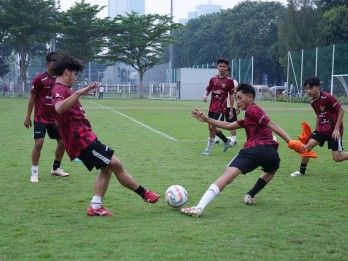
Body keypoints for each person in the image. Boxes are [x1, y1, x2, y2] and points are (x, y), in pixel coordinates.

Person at [51, 52, 160, 216]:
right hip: (81, 140)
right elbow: (59, 108)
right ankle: (145, 194)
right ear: (66, 71)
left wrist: (77, 94)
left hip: (85, 138)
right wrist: (79, 93)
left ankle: (95, 206)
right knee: (116, 164)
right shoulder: (59, 89)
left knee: (107, 169)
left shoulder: (66, 90)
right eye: (74, 73)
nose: (75, 77)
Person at [181, 83, 301, 217]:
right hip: (271, 153)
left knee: (227, 177)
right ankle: (250, 195)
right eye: (236, 98)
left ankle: (199, 206)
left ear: (250, 97)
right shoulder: (250, 116)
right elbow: (229, 125)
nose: (237, 101)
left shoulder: (252, 110)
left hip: (254, 150)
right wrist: (206, 119)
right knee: (271, 170)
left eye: (239, 98)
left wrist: (290, 141)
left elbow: (271, 124)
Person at [24, 52, 69, 182]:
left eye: (57, 62)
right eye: (53, 62)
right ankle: (34, 172)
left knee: (63, 143)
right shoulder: (39, 79)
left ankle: (55, 169)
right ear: (47, 63)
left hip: (55, 118)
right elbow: (32, 98)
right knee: (39, 143)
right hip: (40, 117)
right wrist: (27, 116)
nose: (55, 64)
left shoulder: (61, 80)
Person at [290, 76, 348, 176]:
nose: (308, 91)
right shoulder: (312, 102)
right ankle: (301, 171)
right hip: (321, 130)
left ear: (317, 87)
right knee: (307, 147)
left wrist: (336, 129)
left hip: (334, 130)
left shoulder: (328, 97)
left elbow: (341, 110)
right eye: (307, 89)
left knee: (337, 157)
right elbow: (318, 115)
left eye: (310, 88)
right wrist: (316, 130)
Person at [201, 58, 236, 156]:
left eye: (224, 66)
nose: (222, 68)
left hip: (221, 108)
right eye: (220, 66)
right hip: (212, 107)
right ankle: (226, 141)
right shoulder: (213, 78)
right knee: (210, 127)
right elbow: (208, 89)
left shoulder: (229, 81)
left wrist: (231, 109)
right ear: (217, 67)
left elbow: (232, 95)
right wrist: (205, 95)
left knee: (212, 127)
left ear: (226, 68)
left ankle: (208, 149)